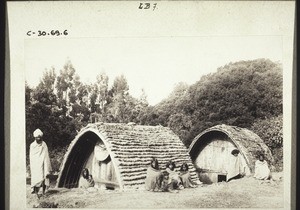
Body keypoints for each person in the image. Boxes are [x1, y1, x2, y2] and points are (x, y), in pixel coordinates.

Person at [29, 128, 52, 198]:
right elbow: (32, 157)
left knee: (45, 176)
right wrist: (35, 163)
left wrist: (46, 165)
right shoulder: (32, 145)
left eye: (40, 137)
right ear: (35, 138)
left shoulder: (44, 144)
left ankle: (43, 192)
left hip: (43, 163)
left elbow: (46, 155)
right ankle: (36, 193)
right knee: (36, 178)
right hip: (36, 164)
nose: (39, 139)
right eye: (37, 137)